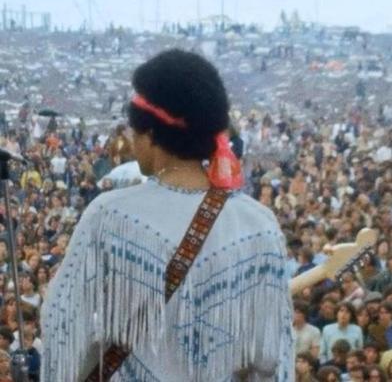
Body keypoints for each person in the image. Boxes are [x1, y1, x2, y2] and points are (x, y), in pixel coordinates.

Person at [41, 50, 294, 381]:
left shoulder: (109, 216)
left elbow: (62, 322)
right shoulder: (259, 225)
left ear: (150, 135)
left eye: (133, 132)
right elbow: (272, 356)